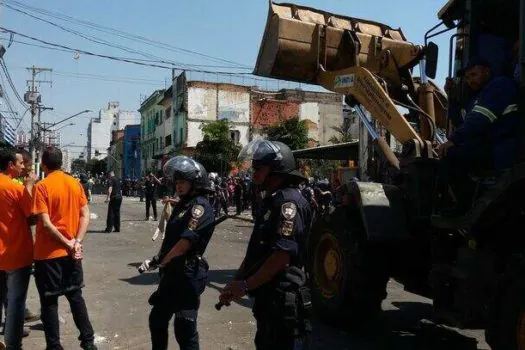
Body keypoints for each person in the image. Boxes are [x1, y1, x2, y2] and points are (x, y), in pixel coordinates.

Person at [219, 140, 313, 350]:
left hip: (283, 301)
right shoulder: (272, 201)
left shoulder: (288, 203)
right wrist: (235, 282)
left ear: (276, 171)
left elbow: (281, 256)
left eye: (258, 169)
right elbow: (256, 253)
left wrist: (244, 286)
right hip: (268, 301)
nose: (253, 175)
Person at [142, 156, 215, 350]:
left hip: (188, 275)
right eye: (176, 182)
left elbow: (184, 243)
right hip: (171, 273)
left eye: (182, 182)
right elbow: (170, 240)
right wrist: (159, 259)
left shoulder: (200, 207)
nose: (178, 186)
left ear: (195, 182)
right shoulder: (183, 204)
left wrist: (162, 261)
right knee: (157, 319)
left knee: (184, 328)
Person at [31, 146, 97, 350]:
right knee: (75, 296)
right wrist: (77, 241)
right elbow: (85, 214)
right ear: (60, 163)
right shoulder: (75, 183)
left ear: (43, 164)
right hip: (71, 253)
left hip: (48, 255)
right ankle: (88, 342)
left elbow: (46, 223)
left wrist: (68, 242)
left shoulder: (41, 187)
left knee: (49, 302)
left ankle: (54, 346)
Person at [438, 57, 520, 214]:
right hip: (489, 146)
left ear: (486, 71)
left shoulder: (500, 85)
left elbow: (480, 119)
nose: (470, 81)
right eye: (467, 78)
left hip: (501, 148)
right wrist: (451, 97)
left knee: (451, 156)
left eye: (474, 75)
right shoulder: (477, 97)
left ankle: (466, 206)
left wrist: (453, 140)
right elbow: (461, 121)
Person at [0, 148, 34, 349]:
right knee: (15, 303)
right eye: (20, 163)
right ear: (10, 165)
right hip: (15, 253)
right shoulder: (15, 188)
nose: (23, 167)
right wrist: (29, 186)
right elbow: (31, 215)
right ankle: (13, 345)